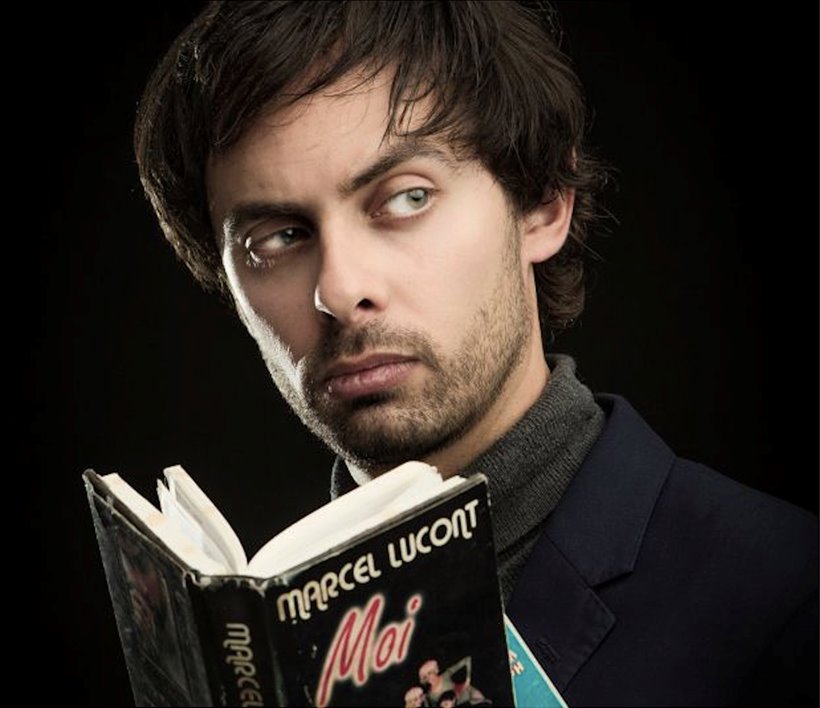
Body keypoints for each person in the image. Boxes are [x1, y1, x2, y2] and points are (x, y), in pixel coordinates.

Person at [132, 1, 818, 705]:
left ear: (544, 203)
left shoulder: (788, 595)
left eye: (405, 198)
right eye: (277, 238)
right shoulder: (261, 645)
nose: (340, 290)